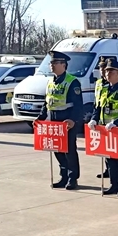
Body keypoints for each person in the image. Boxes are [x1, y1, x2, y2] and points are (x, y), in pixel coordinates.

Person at [36, 50, 83, 190]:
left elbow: (78, 105)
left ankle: (72, 178)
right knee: (57, 149)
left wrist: (73, 120)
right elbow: (47, 102)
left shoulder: (72, 81)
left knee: (69, 150)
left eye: (55, 63)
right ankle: (63, 176)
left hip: (66, 120)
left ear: (63, 65)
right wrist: (40, 118)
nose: (51, 65)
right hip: (53, 120)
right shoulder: (51, 81)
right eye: (51, 63)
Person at [89, 59, 118, 197]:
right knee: (110, 159)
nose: (107, 74)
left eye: (111, 71)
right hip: (105, 130)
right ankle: (113, 185)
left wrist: (117, 122)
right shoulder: (104, 89)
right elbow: (98, 107)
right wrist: (93, 119)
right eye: (107, 71)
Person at [95, 57, 111, 179]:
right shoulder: (99, 83)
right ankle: (107, 169)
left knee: (113, 149)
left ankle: (112, 171)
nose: (102, 70)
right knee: (105, 147)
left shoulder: (109, 85)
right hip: (101, 118)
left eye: (104, 68)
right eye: (100, 68)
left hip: (112, 123)